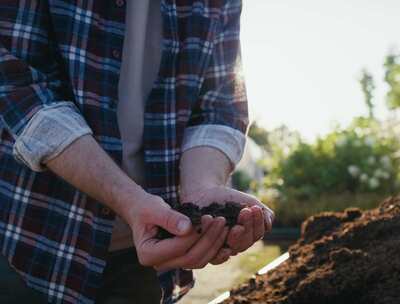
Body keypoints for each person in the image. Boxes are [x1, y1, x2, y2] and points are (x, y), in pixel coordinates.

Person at [0, 0, 273, 303]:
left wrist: (202, 187)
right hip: (27, 239)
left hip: (143, 256)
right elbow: (18, 87)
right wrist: (128, 200)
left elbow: (219, 108)